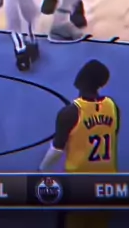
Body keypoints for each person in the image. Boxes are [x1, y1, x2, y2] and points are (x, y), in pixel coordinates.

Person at [39, 59, 118, 228]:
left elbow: (56, 150)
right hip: (108, 185)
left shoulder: (70, 112)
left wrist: (42, 170)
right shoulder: (112, 106)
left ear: (83, 78)